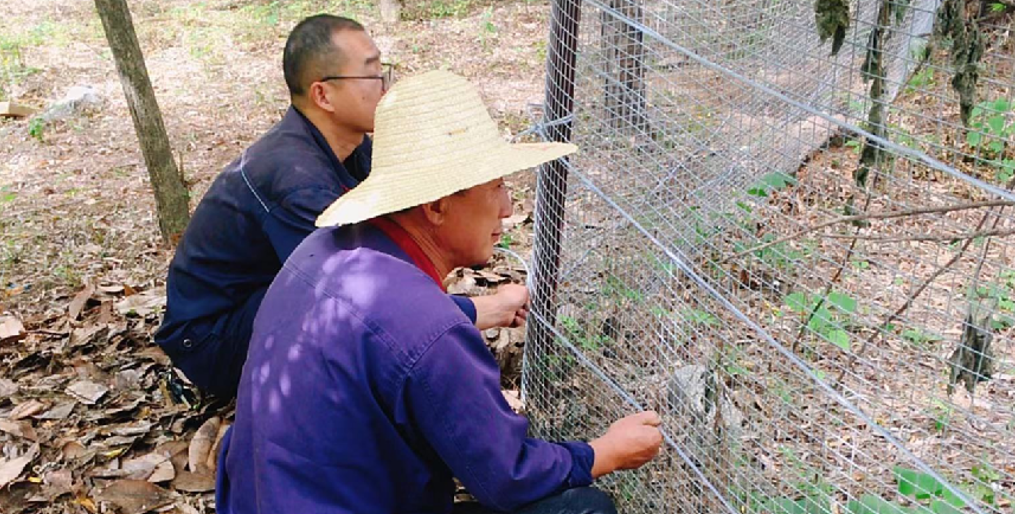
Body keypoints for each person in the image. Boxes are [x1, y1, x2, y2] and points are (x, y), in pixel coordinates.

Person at [216, 70, 664, 514]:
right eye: (496, 188)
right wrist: (604, 451)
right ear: (435, 206)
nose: (509, 208)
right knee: (584, 508)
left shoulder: (321, 253)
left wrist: (480, 310)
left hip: (263, 497)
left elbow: (380, 333)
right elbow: (507, 476)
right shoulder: (427, 330)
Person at [155, 15, 528, 397]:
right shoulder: (295, 178)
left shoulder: (353, 147)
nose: (385, 87)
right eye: (371, 75)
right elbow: (358, 297)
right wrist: (480, 311)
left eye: (384, 71)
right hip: (210, 341)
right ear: (323, 95)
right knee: (355, 321)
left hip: (261, 300)